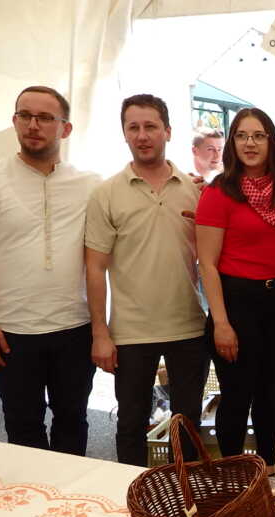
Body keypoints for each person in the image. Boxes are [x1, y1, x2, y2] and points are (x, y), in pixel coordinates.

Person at [0, 85, 99, 455]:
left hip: (75, 327)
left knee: (73, 419)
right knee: (22, 424)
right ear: (15, 121)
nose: (33, 125)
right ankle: (32, 491)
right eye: (25, 115)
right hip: (11, 331)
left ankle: (70, 491)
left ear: (65, 128)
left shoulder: (89, 185)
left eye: (45, 117)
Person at [85, 94, 209, 467]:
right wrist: (100, 332)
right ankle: (132, 491)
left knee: (188, 425)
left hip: (188, 325)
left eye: (151, 126)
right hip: (131, 331)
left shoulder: (195, 190)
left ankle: (187, 492)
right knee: (131, 422)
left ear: (167, 131)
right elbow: (95, 267)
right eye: (133, 127)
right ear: (124, 133)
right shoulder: (106, 194)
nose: (142, 135)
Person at [195, 108, 275, 474]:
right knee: (237, 397)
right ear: (232, 143)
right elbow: (207, 264)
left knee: (270, 395)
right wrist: (221, 323)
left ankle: (266, 475)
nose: (250, 143)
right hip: (236, 305)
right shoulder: (219, 192)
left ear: (271, 142)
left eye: (258, 135)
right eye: (241, 135)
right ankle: (233, 477)